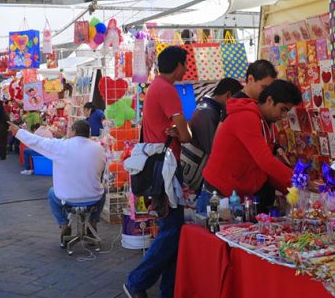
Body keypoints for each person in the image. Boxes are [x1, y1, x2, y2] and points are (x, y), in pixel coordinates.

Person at [124, 46, 192, 298]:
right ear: (177, 65)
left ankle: (168, 290)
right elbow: (184, 135)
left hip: (161, 165)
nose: (186, 69)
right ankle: (136, 281)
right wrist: (182, 132)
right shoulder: (167, 90)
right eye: (185, 64)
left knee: (172, 231)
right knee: (171, 229)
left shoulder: (155, 88)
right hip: (167, 167)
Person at [200, 80, 304, 213]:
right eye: (282, 109)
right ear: (269, 100)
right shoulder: (246, 117)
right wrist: (298, 180)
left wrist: (290, 188)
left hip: (237, 196)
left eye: (287, 112)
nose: (284, 116)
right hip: (219, 195)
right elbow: (265, 161)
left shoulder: (266, 123)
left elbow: (262, 168)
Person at [8, 119, 106, 244]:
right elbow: (101, 169)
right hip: (93, 198)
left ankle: (64, 224)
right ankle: (93, 222)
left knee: (51, 193)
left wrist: (18, 132)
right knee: (104, 191)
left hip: (68, 199)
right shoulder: (99, 149)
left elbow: (38, 142)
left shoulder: (61, 146)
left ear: (74, 131)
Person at [189, 77, 243, 156]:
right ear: (228, 95)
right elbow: (213, 150)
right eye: (236, 99)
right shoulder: (207, 112)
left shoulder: (209, 109)